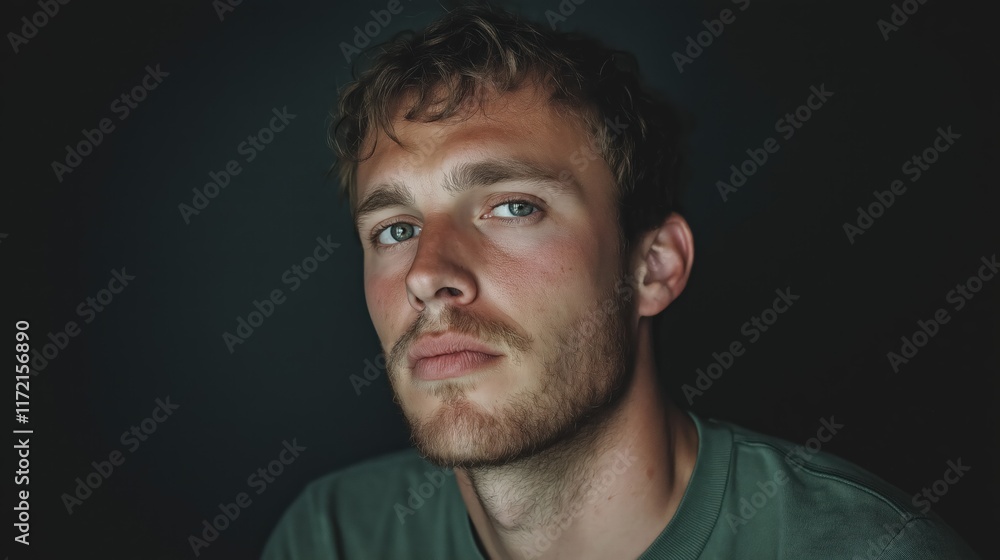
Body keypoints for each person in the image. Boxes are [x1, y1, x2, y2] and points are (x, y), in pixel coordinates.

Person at [263, 5, 979, 559]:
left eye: (513, 207)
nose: (427, 274)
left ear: (653, 267)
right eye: (394, 229)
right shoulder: (334, 538)